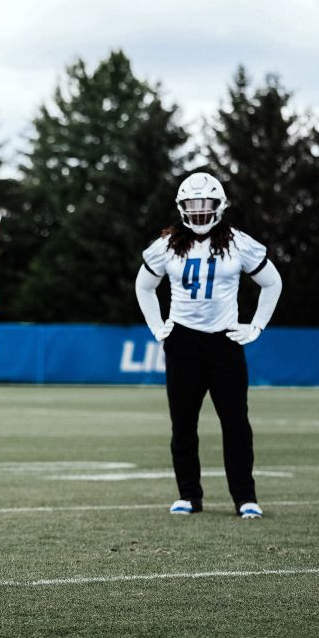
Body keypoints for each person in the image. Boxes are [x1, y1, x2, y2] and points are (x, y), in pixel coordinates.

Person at [133, 172, 283, 519]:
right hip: (183, 341)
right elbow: (143, 286)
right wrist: (158, 328)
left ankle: (245, 498)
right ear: (181, 208)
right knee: (182, 424)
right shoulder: (167, 244)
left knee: (236, 423)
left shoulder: (238, 242)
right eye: (192, 205)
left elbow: (272, 282)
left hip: (224, 342)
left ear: (220, 206)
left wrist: (257, 325)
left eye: (206, 205)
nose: (199, 212)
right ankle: (189, 495)